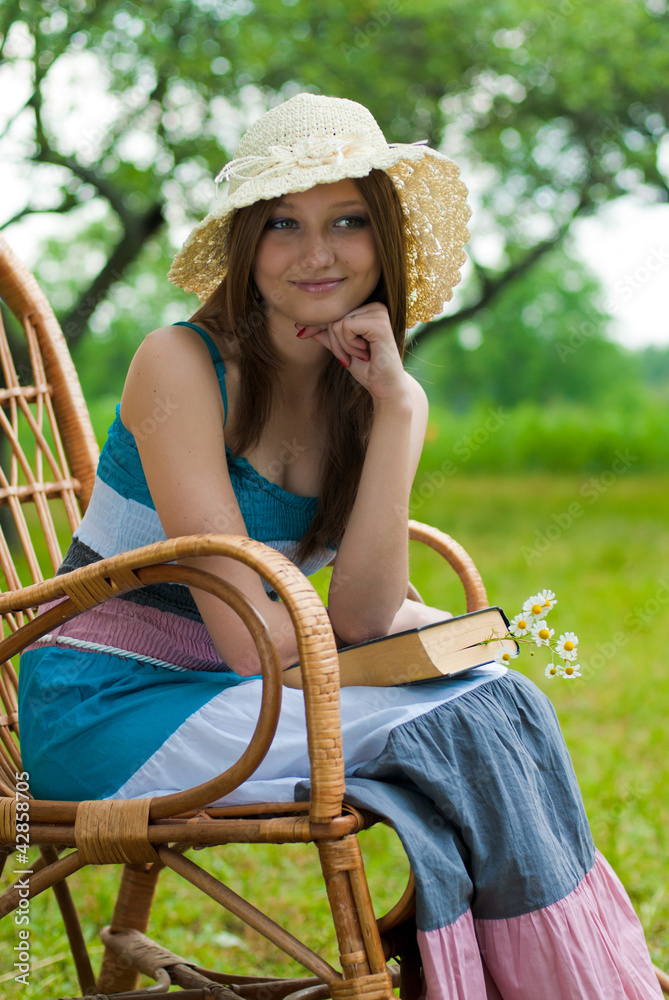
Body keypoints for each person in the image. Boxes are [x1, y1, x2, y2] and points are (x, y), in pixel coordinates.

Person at [18, 94, 661, 999]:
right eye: (284, 224)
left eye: (347, 221)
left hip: (241, 698)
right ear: (248, 244)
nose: (316, 253)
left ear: (382, 239)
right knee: (468, 720)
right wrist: (386, 648)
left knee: (506, 701)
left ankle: (572, 979)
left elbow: (354, 612)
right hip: (108, 713)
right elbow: (249, 634)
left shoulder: (365, 393)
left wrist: (401, 408)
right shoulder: (180, 363)